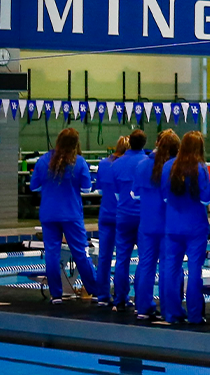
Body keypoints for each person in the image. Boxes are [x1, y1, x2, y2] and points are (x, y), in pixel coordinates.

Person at [30, 127, 106, 304]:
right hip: (71, 214)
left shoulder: (43, 161)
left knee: (52, 254)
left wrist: (50, 188)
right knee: (81, 252)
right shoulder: (79, 162)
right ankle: (95, 290)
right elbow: (87, 189)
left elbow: (34, 187)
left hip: (49, 214)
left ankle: (56, 295)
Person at [160, 130, 210, 324]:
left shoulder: (167, 166)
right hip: (195, 226)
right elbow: (206, 198)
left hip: (173, 225)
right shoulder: (200, 168)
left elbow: (164, 196)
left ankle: (172, 314)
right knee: (194, 270)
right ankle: (195, 315)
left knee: (171, 270)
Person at [132, 129, 179, 319]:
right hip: (168, 224)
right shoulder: (173, 167)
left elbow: (134, 195)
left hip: (147, 223)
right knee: (169, 266)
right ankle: (169, 310)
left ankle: (143, 307)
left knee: (145, 265)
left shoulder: (142, 165)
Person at [110, 129, 148, 311]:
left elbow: (116, 194)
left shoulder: (116, 164)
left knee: (122, 259)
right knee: (144, 259)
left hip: (123, 215)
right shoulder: (147, 162)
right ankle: (141, 300)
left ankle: (120, 299)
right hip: (143, 217)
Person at [94, 137, 129, 306]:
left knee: (104, 257)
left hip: (105, 214)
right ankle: (121, 296)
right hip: (122, 216)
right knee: (122, 258)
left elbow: (99, 189)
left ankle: (102, 296)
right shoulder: (126, 165)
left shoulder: (103, 164)